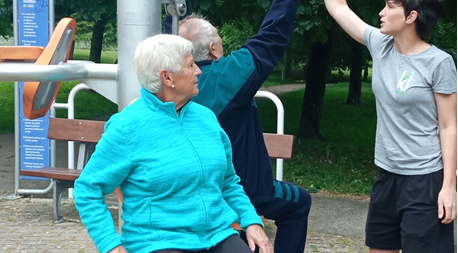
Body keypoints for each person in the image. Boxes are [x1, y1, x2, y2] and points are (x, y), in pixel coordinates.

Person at [74, 34, 274, 253]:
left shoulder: (206, 118)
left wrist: (251, 220)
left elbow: (228, 181)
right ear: (167, 77)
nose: (199, 70)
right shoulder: (126, 128)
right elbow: (87, 188)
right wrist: (111, 245)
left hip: (216, 235)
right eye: (190, 65)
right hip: (159, 242)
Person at [174, 0, 312, 252]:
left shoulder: (168, 79)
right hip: (240, 190)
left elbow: (170, 29)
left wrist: (178, 8)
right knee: (299, 202)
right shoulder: (227, 75)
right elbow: (272, 35)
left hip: (184, 190)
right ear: (213, 48)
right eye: (218, 36)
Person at [323, 0, 457, 252]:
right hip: (387, 175)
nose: (381, 12)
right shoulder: (381, 45)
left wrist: (449, 187)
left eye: (389, 6)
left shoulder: (439, 63)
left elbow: (449, 127)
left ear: (411, 16)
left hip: (425, 180)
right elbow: (339, 8)